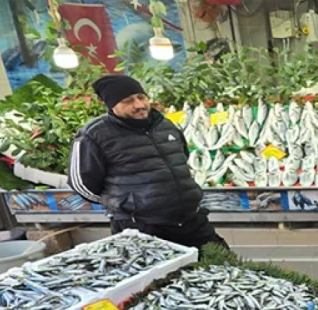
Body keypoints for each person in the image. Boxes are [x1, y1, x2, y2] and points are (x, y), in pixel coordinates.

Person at [67, 74, 229, 250]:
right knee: (161, 276)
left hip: (191, 220)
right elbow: (81, 183)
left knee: (222, 261)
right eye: (128, 101)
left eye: (141, 97)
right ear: (110, 104)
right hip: (142, 228)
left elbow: (182, 157)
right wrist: (122, 205)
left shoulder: (165, 125)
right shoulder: (94, 135)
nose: (139, 105)